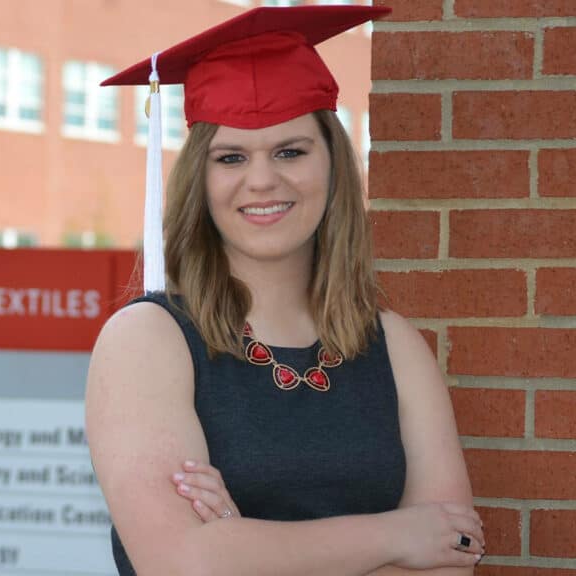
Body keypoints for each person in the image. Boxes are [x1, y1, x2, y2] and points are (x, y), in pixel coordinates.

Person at [86, 5, 485, 575]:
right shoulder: (147, 341)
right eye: (231, 157)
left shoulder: (393, 346)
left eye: (290, 151)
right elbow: (183, 565)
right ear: (201, 177)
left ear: (332, 164)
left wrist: (244, 547)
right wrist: (396, 535)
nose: (262, 180)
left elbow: (451, 560)